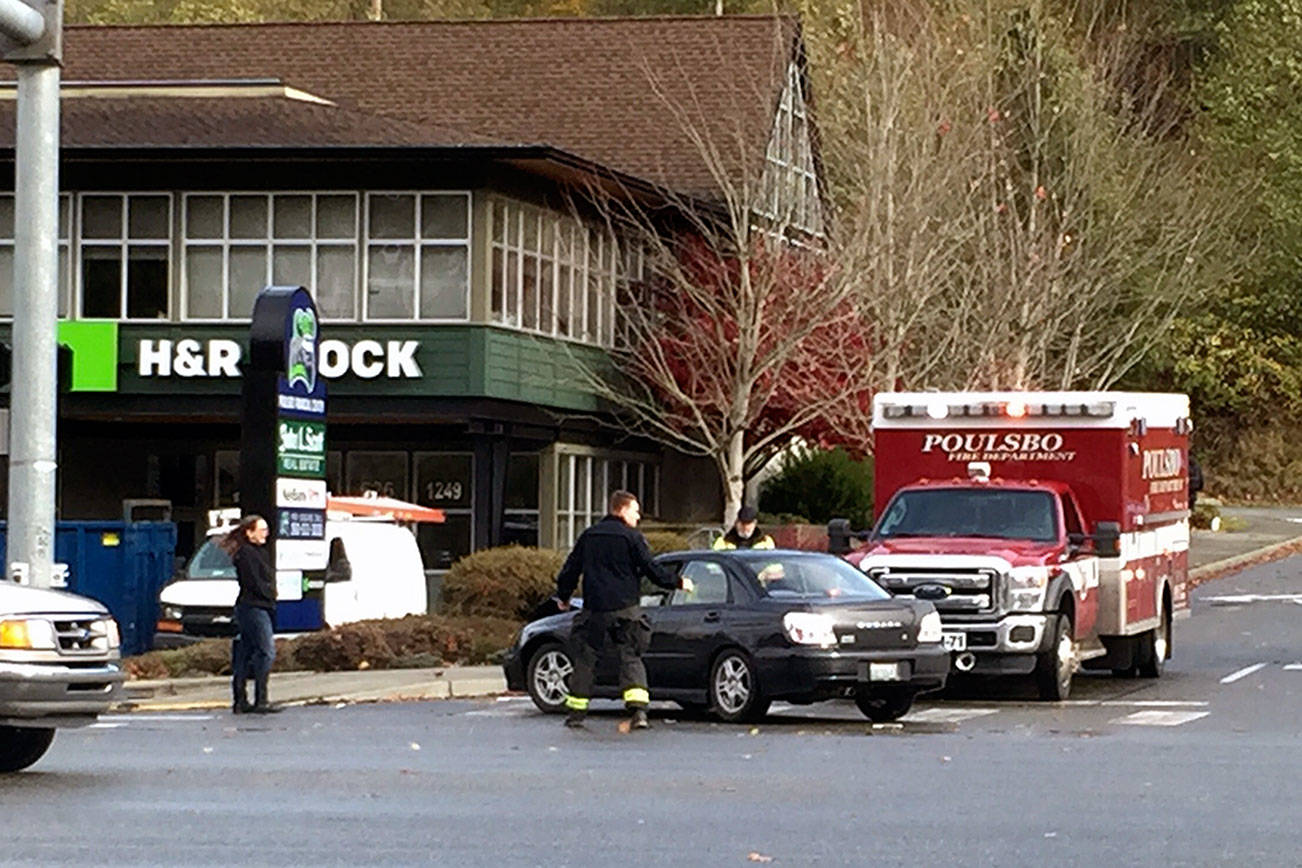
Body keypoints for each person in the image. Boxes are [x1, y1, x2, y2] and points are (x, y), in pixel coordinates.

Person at [554, 490, 692, 731]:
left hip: (594, 610)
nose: (638, 517)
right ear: (622, 510)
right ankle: (639, 712)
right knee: (631, 656)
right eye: (635, 511)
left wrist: (563, 597)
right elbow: (651, 568)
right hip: (626, 609)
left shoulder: (589, 536)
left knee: (586, 658)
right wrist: (678, 582)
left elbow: (571, 569)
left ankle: (576, 712)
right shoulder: (632, 538)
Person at [221, 515, 280, 715]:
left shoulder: (259, 552)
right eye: (261, 530)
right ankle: (260, 700)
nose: (266, 533)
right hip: (253, 607)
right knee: (266, 651)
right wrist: (270, 594)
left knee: (245, 654)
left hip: (256, 606)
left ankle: (241, 700)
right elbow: (254, 582)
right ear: (249, 532)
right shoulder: (245, 554)